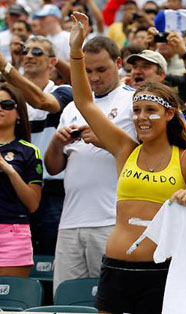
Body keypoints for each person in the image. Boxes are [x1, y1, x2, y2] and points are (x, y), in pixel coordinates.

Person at [67, 13, 186, 313]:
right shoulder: (125, 149)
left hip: (162, 271)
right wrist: (75, 51)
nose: (141, 118)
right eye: (136, 110)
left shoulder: (185, 159)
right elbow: (84, 102)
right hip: (115, 269)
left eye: (150, 110)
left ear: (170, 114)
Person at [45, 35, 136, 294]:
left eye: (101, 69)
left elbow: (147, 157)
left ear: (118, 63)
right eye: (87, 71)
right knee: (66, 299)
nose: (94, 77)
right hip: (70, 220)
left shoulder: (133, 101)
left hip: (112, 220)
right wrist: (56, 143)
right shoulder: (72, 107)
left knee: (112, 299)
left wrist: (107, 141)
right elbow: (53, 168)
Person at [0, 36, 73, 256]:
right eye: (26, 51)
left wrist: (5, 67)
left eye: (37, 52)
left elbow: (43, 102)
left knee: (49, 260)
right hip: (12, 192)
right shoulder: (7, 98)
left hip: (52, 193)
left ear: (52, 62)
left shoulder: (64, 92)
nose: (29, 55)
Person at [0, 83, 42, 277]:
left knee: (10, 302)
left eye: (6, 104)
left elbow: (33, 203)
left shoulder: (29, 151)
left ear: (19, 113)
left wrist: (9, 171)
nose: (0, 108)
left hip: (12, 232)